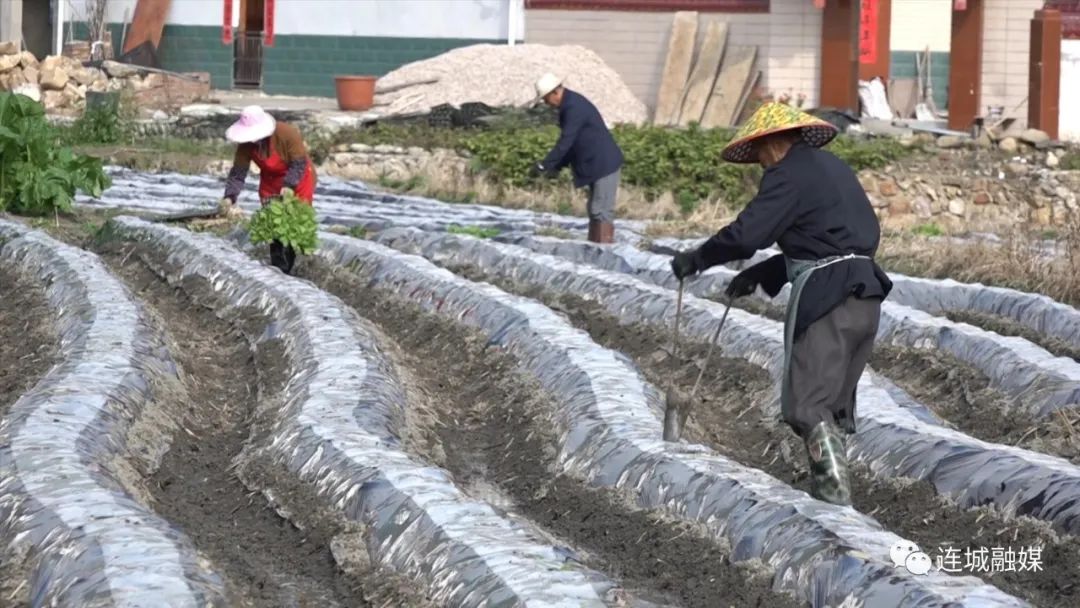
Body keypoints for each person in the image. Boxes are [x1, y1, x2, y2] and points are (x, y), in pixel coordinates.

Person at [669, 102, 892, 506]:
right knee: (832, 404)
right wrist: (763, 275)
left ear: (770, 142)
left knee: (806, 405)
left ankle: (835, 502)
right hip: (865, 296)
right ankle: (834, 501)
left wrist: (698, 259)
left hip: (830, 298)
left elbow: (746, 234)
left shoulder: (788, 174)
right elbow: (828, 239)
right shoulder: (831, 170)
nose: (758, 163)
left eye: (757, 153)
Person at [221, 105, 317, 275]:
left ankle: (290, 263)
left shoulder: (287, 133)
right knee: (274, 220)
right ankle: (278, 266)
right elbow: (238, 172)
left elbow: (299, 163)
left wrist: (289, 186)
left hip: (298, 177)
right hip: (271, 181)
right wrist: (230, 196)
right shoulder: (246, 145)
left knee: (293, 220)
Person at [533, 73, 623, 244]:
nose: (546, 104)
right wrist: (556, 166)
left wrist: (546, 164)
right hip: (594, 163)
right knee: (593, 209)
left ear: (554, 93)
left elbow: (567, 140)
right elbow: (573, 144)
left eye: (545, 99)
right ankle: (596, 248)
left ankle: (604, 251)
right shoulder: (569, 105)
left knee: (601, 210)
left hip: (604, 162)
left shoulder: (574, 107)